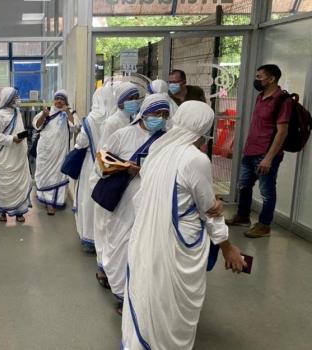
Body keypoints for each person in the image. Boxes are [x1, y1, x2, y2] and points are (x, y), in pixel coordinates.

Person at [120, 101, 246, 350]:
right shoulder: (195, 159)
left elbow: (147, 195)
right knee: (171, 306)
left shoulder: (158, 148)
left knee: (150, 294)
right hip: (177, 246)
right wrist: (228, 247)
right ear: (205, 129)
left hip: (147, 237)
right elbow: (209, 210)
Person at [98, 94, 170, 314]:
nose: (159, 118)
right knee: (120, 244)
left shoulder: (166, 139)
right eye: (155, 114)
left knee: (144, 248)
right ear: (143, 113)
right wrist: (124, 167)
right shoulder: (122, 135)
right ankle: (121, 291)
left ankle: (135, 294)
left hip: (152, 201)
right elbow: (101, 162)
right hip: (124, 201)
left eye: (164, 115)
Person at [226, 64, 291, 238]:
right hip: (250, 151)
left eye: (260, 76)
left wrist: (269, 158)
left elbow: (282, 132)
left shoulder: (282, 100)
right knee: (244, 185)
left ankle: (264, 225)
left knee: (267, 192)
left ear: (272, 79)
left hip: (266, 154)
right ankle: (242, 216)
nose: (257, 79)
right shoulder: (260, 97)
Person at [94, 81, 142, 288]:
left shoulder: (133, 119)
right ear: (120, 101)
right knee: (108, 227)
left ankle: (114, 268)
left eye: (135, 98)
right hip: (115, 179)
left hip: (130, 183)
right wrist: (124, 165)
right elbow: (104, 156)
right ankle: (104, 267)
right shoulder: (113, 122)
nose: (133, 103)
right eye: (129, 99)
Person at [73, 86, 114, 253]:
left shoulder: (91, 119)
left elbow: (81, 142)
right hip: (110, 167)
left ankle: (89, 236)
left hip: (91, 165)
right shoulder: (116, 118)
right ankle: (103, 241)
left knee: (88, 200)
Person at [0, 87, 32, 223]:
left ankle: (19, 212)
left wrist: (24, 135)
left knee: (19, 184)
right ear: (8, 99)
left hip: (18, 156)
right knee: (4, 185)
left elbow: (20, 130)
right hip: (5, 157)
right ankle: (2, 211)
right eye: (15, 97)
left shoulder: (17, 112)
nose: (17, 99)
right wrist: (12, 139)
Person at [33, 90, 79, 215]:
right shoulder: (47, 111)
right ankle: (47, 202)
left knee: (58, 175)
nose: (59, 101)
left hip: (60, 152)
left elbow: (75, 127)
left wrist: (67, 111)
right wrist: (43, 115)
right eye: (57, 98)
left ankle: (55, 201)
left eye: (62, 99)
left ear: (66, 101)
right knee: (45, 176)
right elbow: (36, 125)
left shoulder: (69, 113)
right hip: (45, 151)